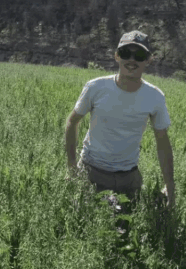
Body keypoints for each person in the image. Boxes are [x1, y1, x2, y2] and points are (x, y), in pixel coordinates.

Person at [65, 30, 175, 207]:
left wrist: (170, 187)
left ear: (148, 60)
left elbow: (162, 142)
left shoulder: (155, 97)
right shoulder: (96, 87)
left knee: (141, 215)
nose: (132, 60)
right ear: (117, 56)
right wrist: (72, 167)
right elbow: (72, 121)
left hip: (129, 177)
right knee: (92, 215)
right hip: (92, 172)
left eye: (139, 55)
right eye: (125, 53)